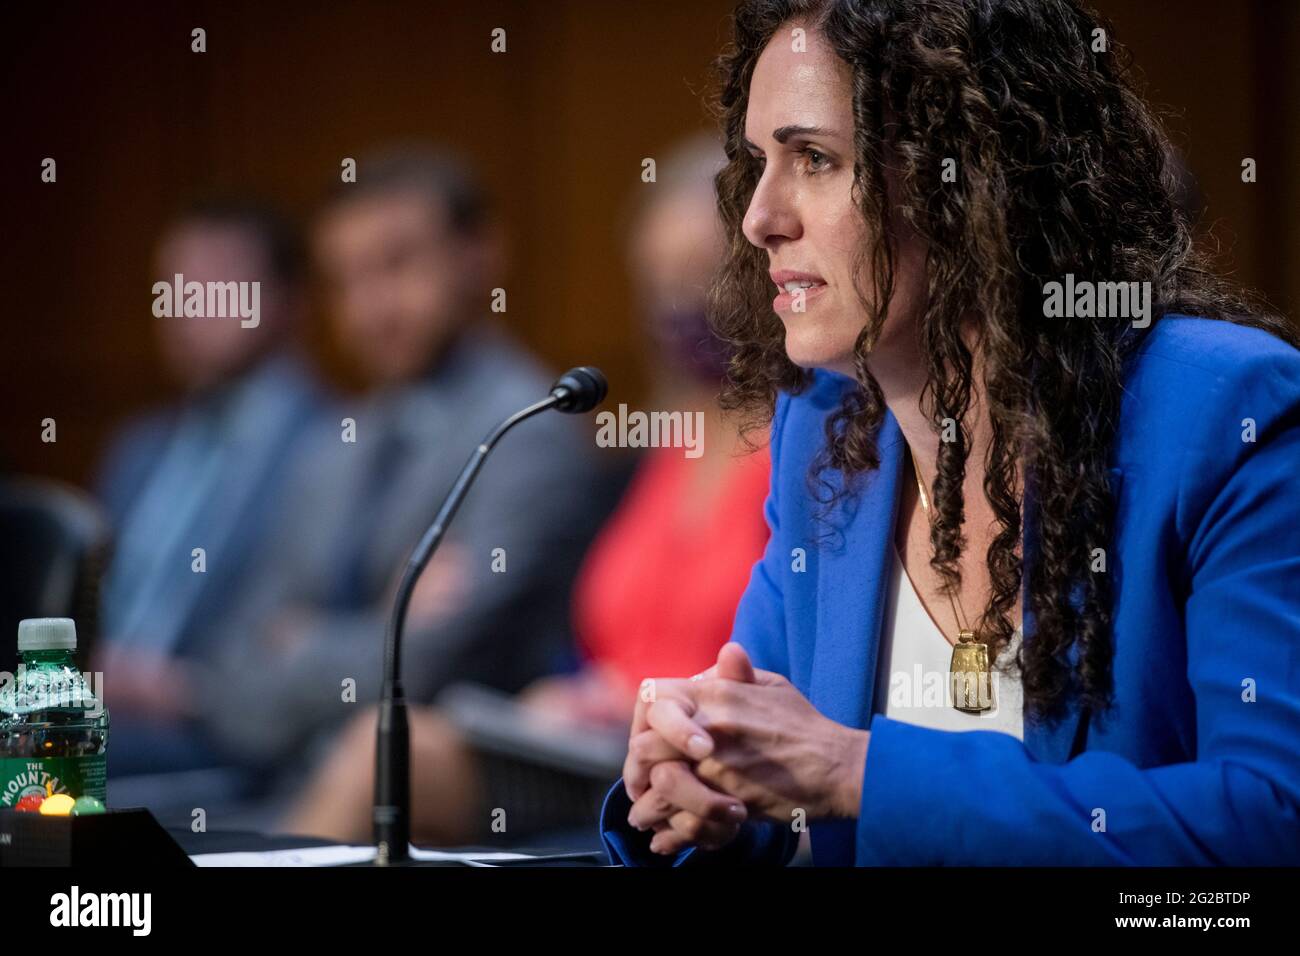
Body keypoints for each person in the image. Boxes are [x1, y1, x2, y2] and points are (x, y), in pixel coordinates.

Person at [601, 0, 1300, 866]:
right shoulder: (822, 430)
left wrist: (862, 774)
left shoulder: (1221, 413)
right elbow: (783, 800)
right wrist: (701, 788)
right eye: (759, 163)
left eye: (814, 159)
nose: (758, 218)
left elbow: (1271, 819)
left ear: (970, 181)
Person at [282, 135, 773, 846]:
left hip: (698, 761)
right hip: (592, 746)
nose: (679, 305)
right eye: (658, 281)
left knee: (387, 753)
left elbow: (789, 658)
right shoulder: (654, 454)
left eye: (702, 275)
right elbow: (599, 635)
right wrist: (571, 691)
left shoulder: (805, 453)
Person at [191, 148, 605, 792]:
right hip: (282, 781)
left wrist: (300, 642)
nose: (370, 308)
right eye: (345, 281)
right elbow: (229, 680)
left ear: (480, 256)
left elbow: (430, 663)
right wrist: (382, 625)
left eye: (397, 263)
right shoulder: (335, 442)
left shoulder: (528, 427)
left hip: (459, 792)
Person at [95, 200, 323, 776]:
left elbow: (308, 626)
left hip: (218, 738)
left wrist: (188, 688)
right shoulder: (139, 444)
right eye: (170, 283)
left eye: (216, 282)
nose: (183, 304)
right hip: (95, 704)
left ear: (289, 301)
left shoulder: (333, 445)